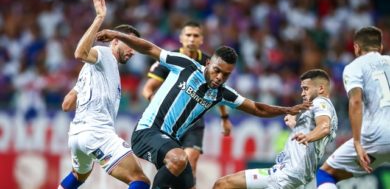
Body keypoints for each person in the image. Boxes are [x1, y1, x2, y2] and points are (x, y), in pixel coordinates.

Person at [96, 29, 311, 189]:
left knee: (189, 182)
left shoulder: (222, 93)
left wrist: (287, 109)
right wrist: (117, 34)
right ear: (208, 63)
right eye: (217, 70)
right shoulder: (185, 65)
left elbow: (257, 108)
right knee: (179, 159)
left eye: (225, 74)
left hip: (171, 142)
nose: (219, 77)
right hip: (147, 132)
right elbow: (150, 48)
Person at [58, 0, 150, 189]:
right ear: (115, 41)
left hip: (76, 135)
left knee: (79, 174)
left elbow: (66, 104)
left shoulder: (90, 71)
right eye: (129, 44)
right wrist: (99, 18)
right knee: (140, 180)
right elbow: (79, 52)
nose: (133, 51)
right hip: (97, 132)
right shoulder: (103, 54)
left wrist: (80, 93)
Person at [212, 69, 338, 189]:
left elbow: (324, 127)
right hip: (288, 173)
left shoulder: (321, 102)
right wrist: (295, 125)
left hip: (288, 176)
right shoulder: (322, 110)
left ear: (321, 88)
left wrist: (307, 137)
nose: (302, 93)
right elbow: (315, 133)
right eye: (302, 89)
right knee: (222, 184)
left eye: (306, 89)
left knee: (223, 185)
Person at [142, 20, 232, 182]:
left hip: (193, 122)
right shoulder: (170, 59)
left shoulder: (210, 63)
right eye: (188, 35)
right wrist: (155, 102)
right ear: (181, 38)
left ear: (201, 39)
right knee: (174, 163)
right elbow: (147, 89)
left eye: (195, 35)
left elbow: (220, 92)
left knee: (191, 161)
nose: (192, 39)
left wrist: (224, 119)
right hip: (168, 120)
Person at [316, 26, 390, 189]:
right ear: (381, 47)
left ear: (356, 47)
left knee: (325, 173)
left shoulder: (354, 67)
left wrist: (357, 142)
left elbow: (356, 102)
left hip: (375, 137)